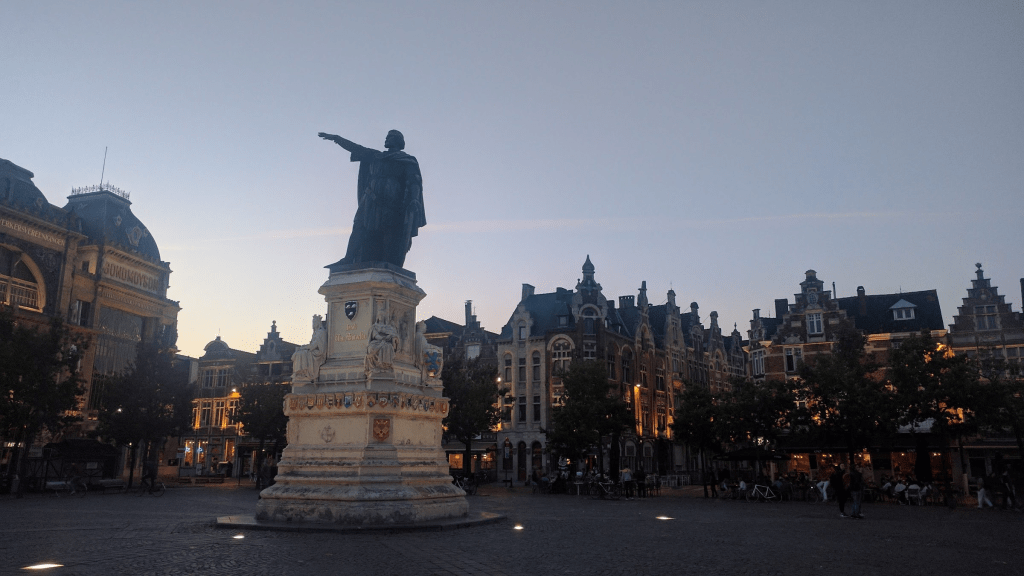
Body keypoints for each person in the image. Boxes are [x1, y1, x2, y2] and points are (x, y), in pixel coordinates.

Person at [319, 130, 426, 268]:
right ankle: (348, 258)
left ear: (399, 141)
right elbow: (356, 148)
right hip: (369, 199)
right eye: (386, 136)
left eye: (391, 137)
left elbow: (414, 181)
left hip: (392, 201)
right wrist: (337, 139)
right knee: (359, 226)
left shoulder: (407, 160)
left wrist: (415, 199)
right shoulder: (375, 156)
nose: (387, 139)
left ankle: (388, 262)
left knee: (389, 230)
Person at [292, 315, 327, 383]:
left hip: (319, 353)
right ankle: (300, 373)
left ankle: (304, 373)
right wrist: (304, 347)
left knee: (301, 353)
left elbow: (314, 346)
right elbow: (312, 345)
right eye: (313, 322)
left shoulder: (320, 332)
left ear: (318, 323)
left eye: (314, 322)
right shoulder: (316, 333)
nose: (313, 324)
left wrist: (304, 347)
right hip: (314, 350)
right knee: (300, 353)